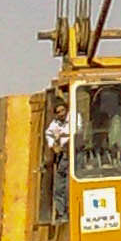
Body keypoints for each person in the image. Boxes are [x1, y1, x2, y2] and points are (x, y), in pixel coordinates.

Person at [42, 95, 70, 223]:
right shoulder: (55, 124)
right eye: (58, 112)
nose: (61, 114)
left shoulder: (74, 118)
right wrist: (53, 145)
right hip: (64, 156)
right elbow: (49, 134)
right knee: (59, 187)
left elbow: (78, 132)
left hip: (76, 154)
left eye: (62, 111)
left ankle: (70, 212)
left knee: (70, 186)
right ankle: (61, 213)